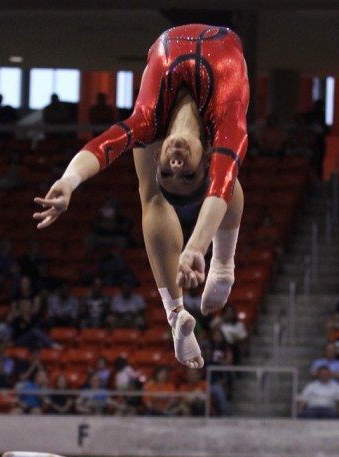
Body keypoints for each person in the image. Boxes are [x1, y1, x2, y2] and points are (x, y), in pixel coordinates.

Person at [34, 24, 249, 370]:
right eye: (187, 174)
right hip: (224, 57)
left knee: (151, 193)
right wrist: (197, 249)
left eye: (168, 171)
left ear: (158, 156)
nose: (176, 165)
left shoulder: (148, 122)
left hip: (162, 66)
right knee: (229, 174)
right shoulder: (227, 120)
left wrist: (69, 180)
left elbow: (103, 146)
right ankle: (215, 272)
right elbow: (220, 185)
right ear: (208, 158)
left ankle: (181, 308)